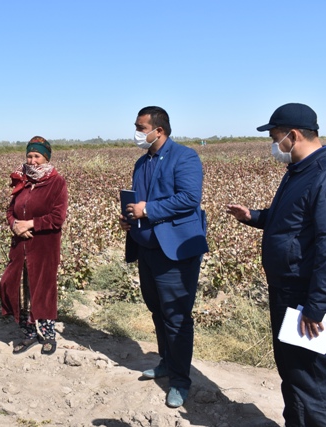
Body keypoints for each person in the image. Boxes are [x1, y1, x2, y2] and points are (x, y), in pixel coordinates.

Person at [226, 103, 326, 427]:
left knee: (310, 377)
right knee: (291, 371)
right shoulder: (298, 170)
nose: (273, 145)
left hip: (304, 295)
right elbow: (290, 221)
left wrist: (317, 305)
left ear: (293, 135)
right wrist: (254, 217)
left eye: (275, 137)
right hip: (286, 288)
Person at [119, 106, 208, 408]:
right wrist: (131, 217)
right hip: (147, 248)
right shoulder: (141, 163)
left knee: (177, 317)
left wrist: (149, 209)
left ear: (159, 130)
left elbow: (188, 199)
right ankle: (166, 363)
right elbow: (139, 202)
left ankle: (181, 380)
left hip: (175, 251)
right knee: (157, 310)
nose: (137, 132)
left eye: (141, 127)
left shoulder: (185, 157)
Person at [0, 136, 68, 356]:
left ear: (45, 158)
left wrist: (32, 224)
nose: (32, 160)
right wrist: (15, 225)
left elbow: (57, 217)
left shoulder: (56, 182)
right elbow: (11, 211)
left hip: (44, 246)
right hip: (21, 246)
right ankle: (28, 333)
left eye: (37, 156)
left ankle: (48, 335)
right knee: (17, 286)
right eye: (29, 155)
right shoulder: (22, 180)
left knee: (43, 289)